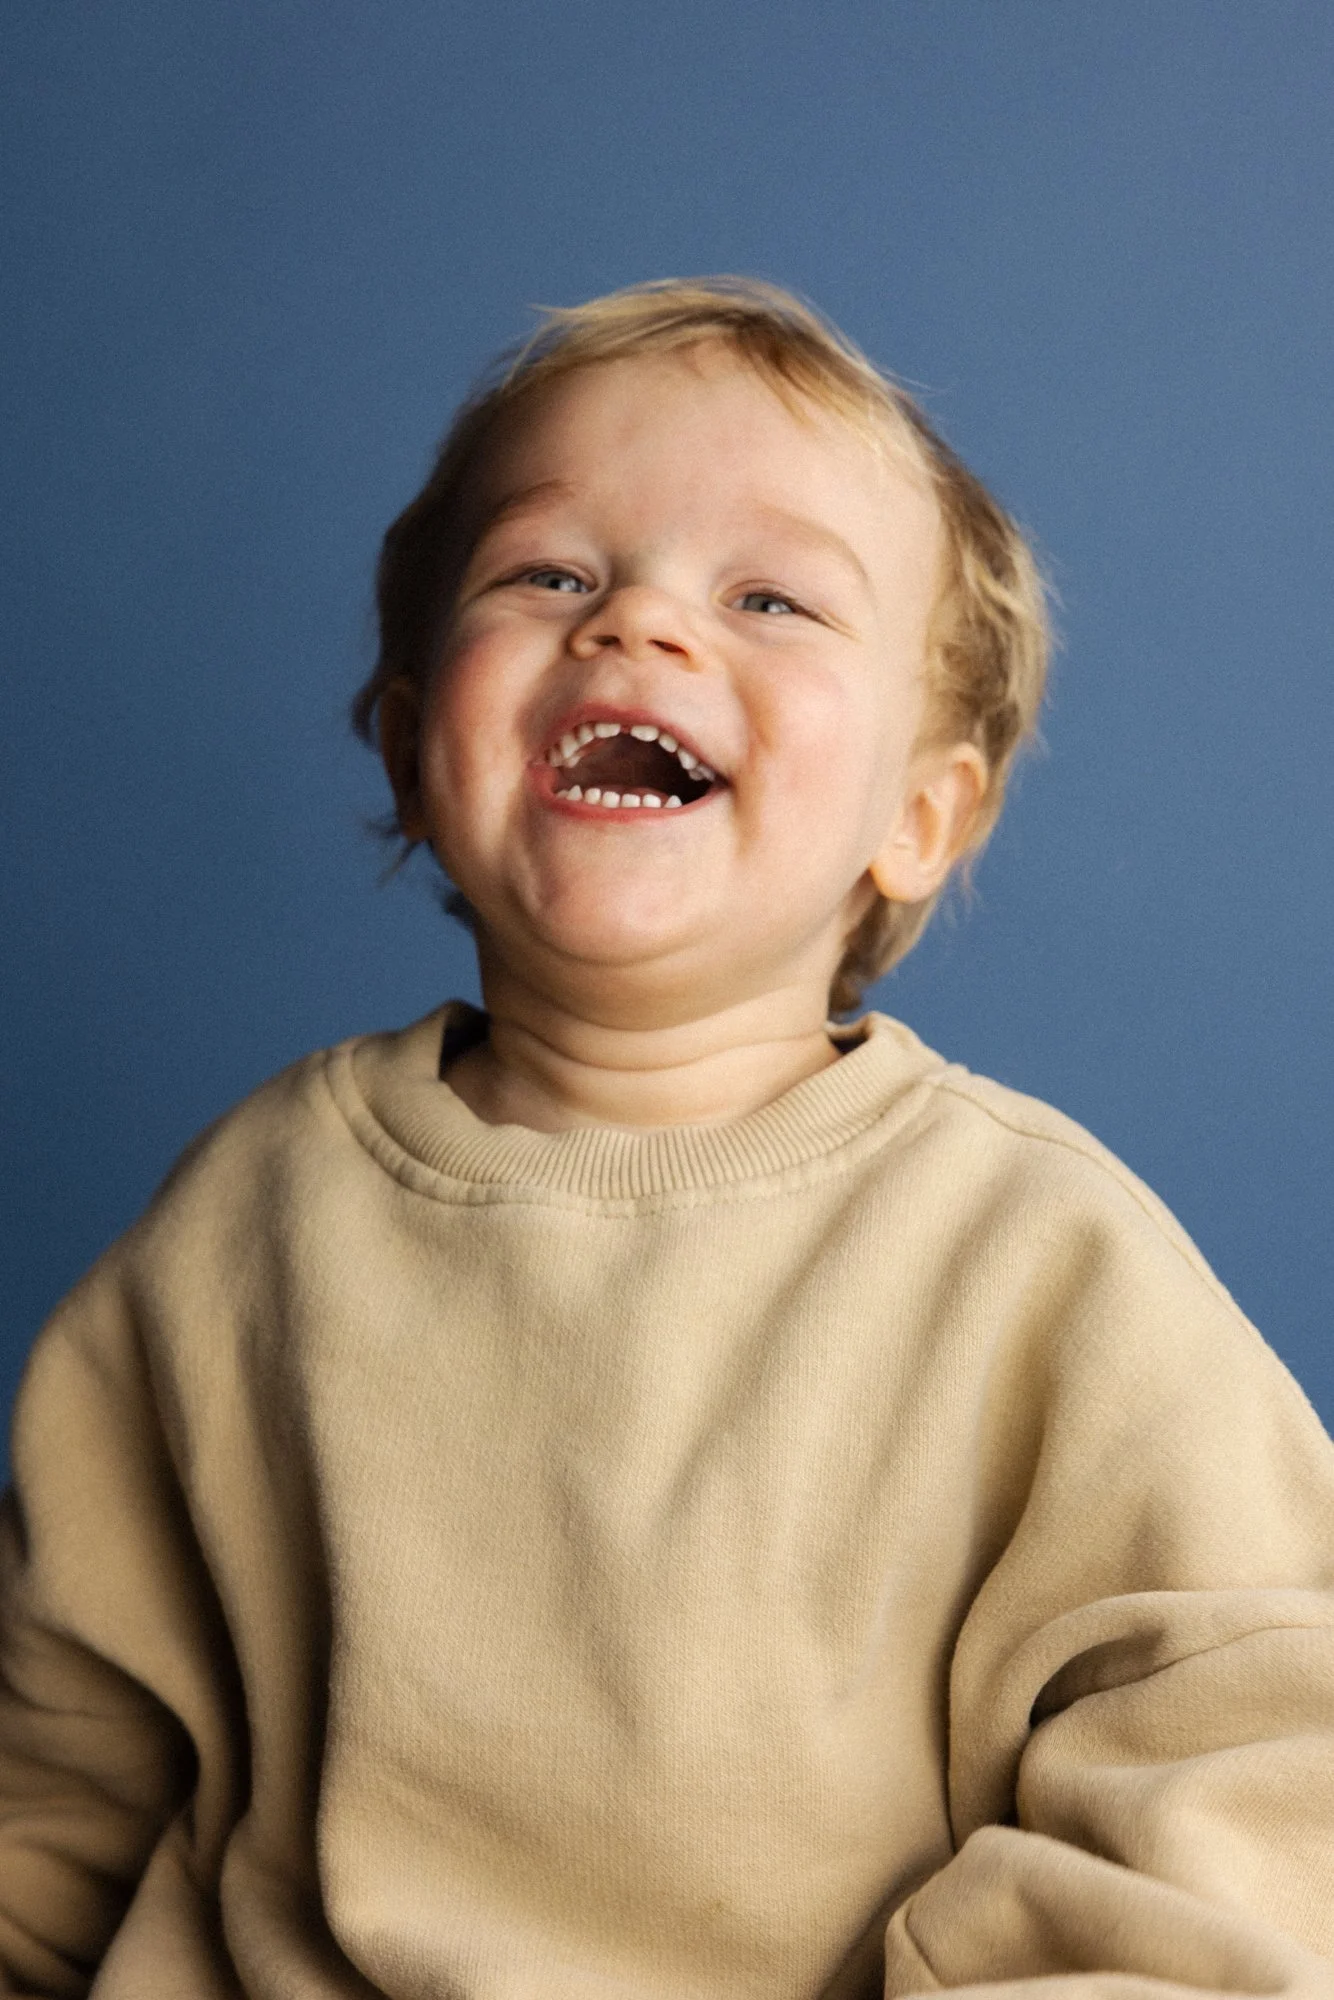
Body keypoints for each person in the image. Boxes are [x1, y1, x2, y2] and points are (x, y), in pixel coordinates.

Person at [2, 276, 1332, 2000]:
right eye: (549, 573)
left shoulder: (1032, 1257)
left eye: (768, 596)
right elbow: (61, 1791)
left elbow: (1257, 1757)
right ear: (414, 746)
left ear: (918, 816)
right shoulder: (245, 1224)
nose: (635, 627)